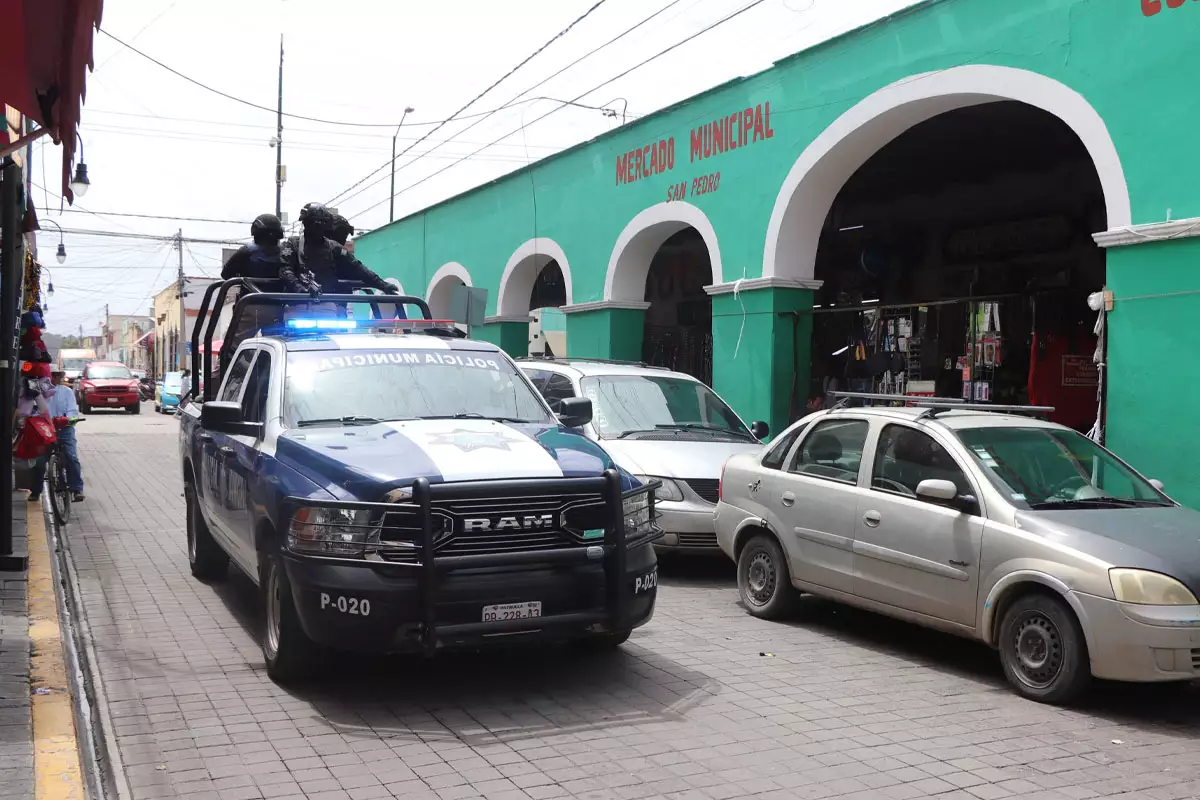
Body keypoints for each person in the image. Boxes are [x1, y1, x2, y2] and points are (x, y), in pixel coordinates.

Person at [279, 203, 399, 300]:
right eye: (312, 223)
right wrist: (300, 289)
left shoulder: (333, 247)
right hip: (297, 303)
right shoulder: (292, 244)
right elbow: (285, 270)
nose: (315, 228)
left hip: (327, 303)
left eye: (320, 224)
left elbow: (358, 268)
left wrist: (383, 285)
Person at [220, 214, 287, 366]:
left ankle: (225, 383)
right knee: (277, 348)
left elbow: (225, 274)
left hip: (250, 305)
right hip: (278, 307)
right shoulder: (286, 253)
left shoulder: (247, 251)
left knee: (233, 349)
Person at [31, 371, 84, 502]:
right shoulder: (39, 391)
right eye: (55, 375)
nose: (58, 378)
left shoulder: (67, 391)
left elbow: (72, 410)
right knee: (39, 461)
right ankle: (36, 491)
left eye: (59, 375)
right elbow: (34, 409)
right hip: (45, 429)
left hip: (64, 428)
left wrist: (69, 419)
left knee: (71, 457)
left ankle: (76, 489)